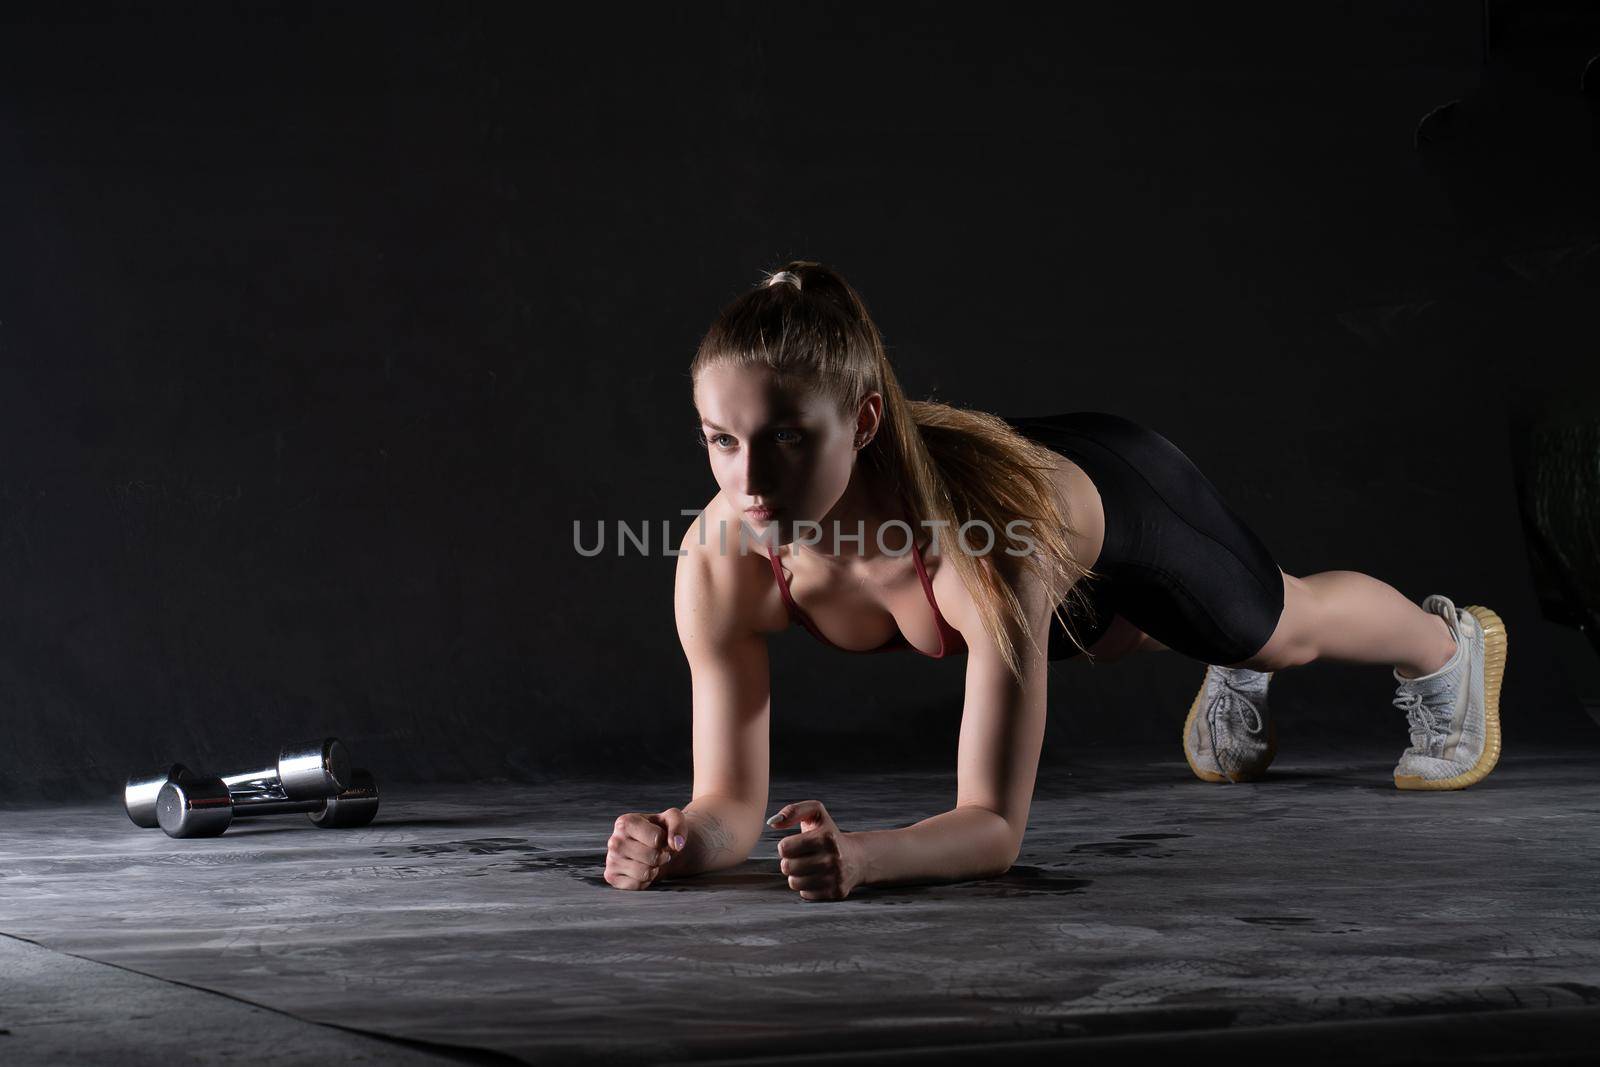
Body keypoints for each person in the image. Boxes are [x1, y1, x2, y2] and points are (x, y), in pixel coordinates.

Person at [603, 260, 1508, 900]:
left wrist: (870, 856)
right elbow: (730, 801)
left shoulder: (980, 547)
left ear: (864, 418)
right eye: (722, 441)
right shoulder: (723, 556)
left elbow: (993, 828)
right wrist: (680, 840)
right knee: (1106, 637)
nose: (750, 481)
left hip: (1113, 496)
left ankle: (1447, 645)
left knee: (1274, 626)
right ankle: (1210, 653)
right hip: (1039, 564)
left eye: (787, 436)